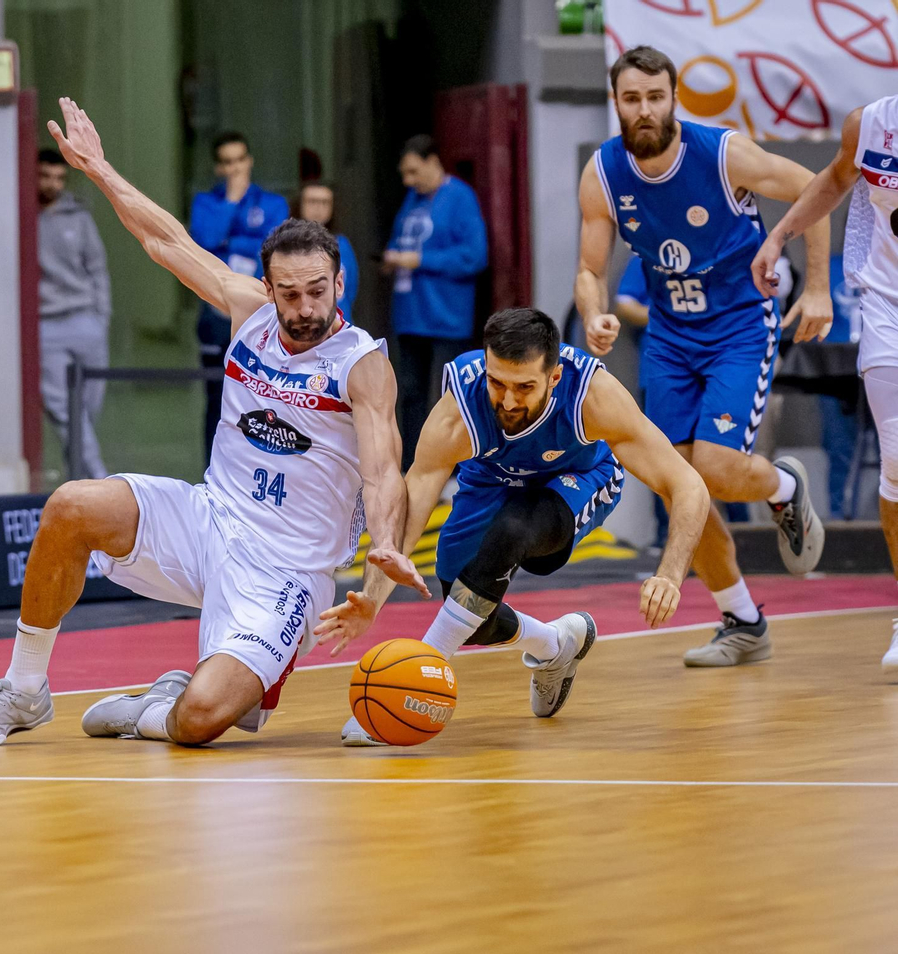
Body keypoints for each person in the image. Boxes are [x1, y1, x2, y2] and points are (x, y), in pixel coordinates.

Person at [0, 97, 425, 749]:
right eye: (289, 293)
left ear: (339, 281)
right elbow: (164, 240)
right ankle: (24, 691)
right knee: (71, 506)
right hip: (207, 520)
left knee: (198, 723)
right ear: (268, 285)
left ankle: (159, 705)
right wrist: (100, 169)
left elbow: (382, 467)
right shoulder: (247, 310)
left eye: (317, 290)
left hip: (287, 571)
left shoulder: (361, 363)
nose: (304, 307)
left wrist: (385, 546)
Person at [321, 308, 709, 744]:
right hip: (491, 480)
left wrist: (671, 574)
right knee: (470, 609)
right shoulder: (459, 404)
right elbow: (410, 511)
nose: (507, 400)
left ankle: (414, 679)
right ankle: (556, 646)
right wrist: (372, 598)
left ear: (554, 377)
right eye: (497, 383)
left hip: (578, 481)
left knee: (513, 528)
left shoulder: (593, 396)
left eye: (524, 387)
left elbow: (688, 485)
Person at [575, 45, 832, 667]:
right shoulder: (604, 172)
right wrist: (594, 313)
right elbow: (588, 268)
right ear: (617, 103)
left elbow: (814, 188)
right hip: (669, 333)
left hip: (740, 323)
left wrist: (819, 286)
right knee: (675, 481)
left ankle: (780, 484)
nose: (644, 109)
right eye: (631, 98)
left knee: (713, 466)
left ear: (673, 99)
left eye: (655, 97)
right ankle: (742, 619)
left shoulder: (721, 153)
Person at [752, 96, 898, 676]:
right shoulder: (871, 124)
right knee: (896, 463)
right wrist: (780, 235)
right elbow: (833, 181)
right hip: (888, 305)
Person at [385, 136, 489, 465]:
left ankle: (454, 468)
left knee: (450, 398)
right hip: (411, 314)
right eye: (405, 174)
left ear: (433, 161)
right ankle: (413, 465)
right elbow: (402, 243)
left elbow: (475, 256)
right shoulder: (412, 200)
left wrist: (420, 260)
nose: (408, 180)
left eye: (414, 172)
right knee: (411, 394)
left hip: (446, 317)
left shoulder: (459, 197)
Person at [189, 131, 290, 459]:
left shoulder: (272, 204)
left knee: (263, 398)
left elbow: (274, 248)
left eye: (239, 161)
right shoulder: (206, 203)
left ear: (249, 161)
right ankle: (211, 469)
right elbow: (203, 244)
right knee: (216, 395)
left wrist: (230, 244)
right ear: (218, 168)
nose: (234, 169)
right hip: (216, 313)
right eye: (227, 163)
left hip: (264, 314)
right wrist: (231, 202)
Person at [36, 147, 111, 480]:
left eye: (59, 178)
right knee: (70, 418)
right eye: (45, 176)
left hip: (86, 323)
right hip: (46, 328)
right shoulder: (21, 217)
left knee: (87, 419)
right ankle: (100, 484)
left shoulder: (79, 217)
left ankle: (78, 494)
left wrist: (100, 318)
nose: (53, 184)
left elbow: (97, 269)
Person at [296, 181, 360, 325]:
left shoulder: (342, 245)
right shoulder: (285, 246)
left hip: (338, 326)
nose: (318, 208)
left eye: (325, 202)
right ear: (300, 204)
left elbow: (350, 290)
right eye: (312, 201)